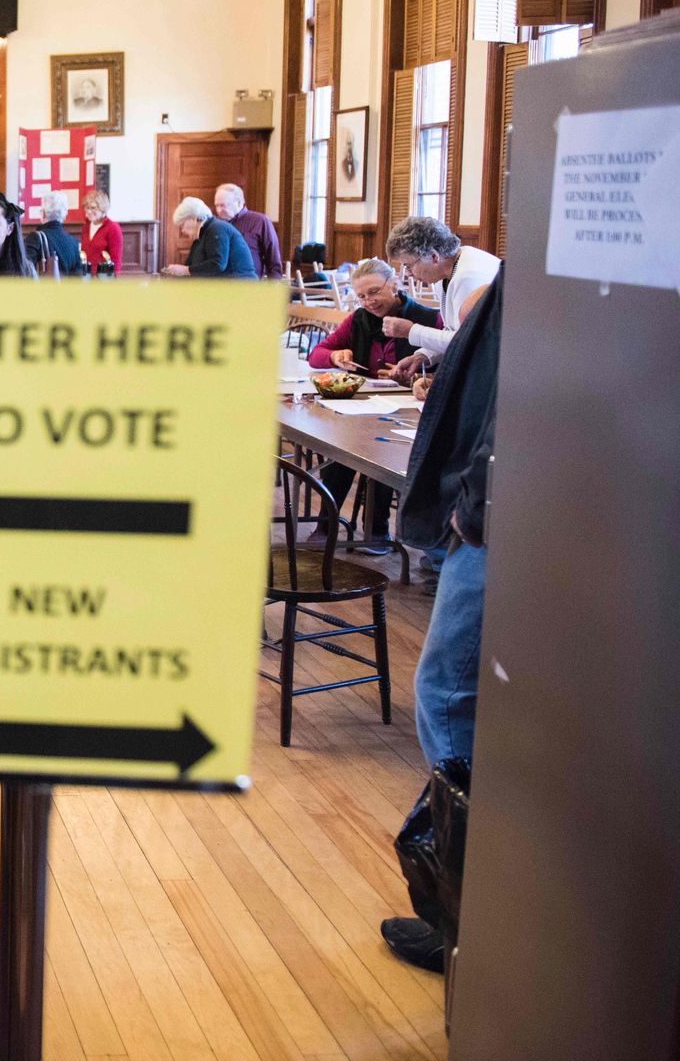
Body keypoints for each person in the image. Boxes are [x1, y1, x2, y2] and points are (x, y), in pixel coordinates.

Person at [379, 267, 503, 974]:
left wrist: (471, 507)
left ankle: (462, 915)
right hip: (488, 505)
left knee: (449, 696)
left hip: (490, 518)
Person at [302, 258, 441, 548]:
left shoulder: (427, 319)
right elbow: (316, 354)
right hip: (367, 406)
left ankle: (377, 530)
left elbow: (448, 362)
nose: (369, 301)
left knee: (382, 451)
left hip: (410, 412)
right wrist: (335, 356)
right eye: (362, 296)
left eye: (375, 292)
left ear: (395, 284)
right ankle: (327, 526)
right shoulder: (357, 320)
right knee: (342, 447)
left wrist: (418, 379)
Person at [381, 216, 502, 384]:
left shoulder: (469, 276)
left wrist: (411, 331)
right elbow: (451, 329)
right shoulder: (447, 269)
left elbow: (467, 340)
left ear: (434, 256)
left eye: (409, 265)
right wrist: (423, 356)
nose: (408, 273)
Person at [162, 197, 257, 278]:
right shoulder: (201, 236)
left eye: (182, 225)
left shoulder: (217, 228)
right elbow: (191, 266)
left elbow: (217, 264)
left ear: (193, 219)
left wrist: (185, 270)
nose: (182, 230)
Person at [213, 182, 285, 279]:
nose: (219, 210)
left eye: (223, 205)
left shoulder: (260, 221)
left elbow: (273, 259)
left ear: (238, 202)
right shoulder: (216, 224)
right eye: (217, 206)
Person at [21, 191, 84, 276]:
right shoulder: (73, 242)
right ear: (64, 215)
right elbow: (78, 278)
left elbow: (23, 270)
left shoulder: (35, 239)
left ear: (43, 213)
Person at [81, 189, 123, 274]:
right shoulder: (85, 227)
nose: (89, 211)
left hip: (103, 279)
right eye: (87, 208)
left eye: (93, 208)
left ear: (102, 209)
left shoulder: (113, 228)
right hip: (87, 277)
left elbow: (116, 260)